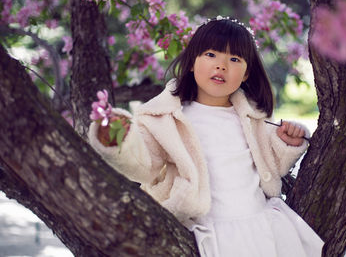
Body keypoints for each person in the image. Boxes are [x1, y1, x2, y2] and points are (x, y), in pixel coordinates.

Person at [88, 16, 324, 257]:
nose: (221, 65)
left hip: (256, 224)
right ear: (191, 62)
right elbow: (143, 164)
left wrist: (289, 141)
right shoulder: (167, 119)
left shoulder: (251, 117)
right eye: (211, 55)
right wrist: (118, 140)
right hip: (203, 230)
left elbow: (272, 162)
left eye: (234, 59)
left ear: (246, 74)